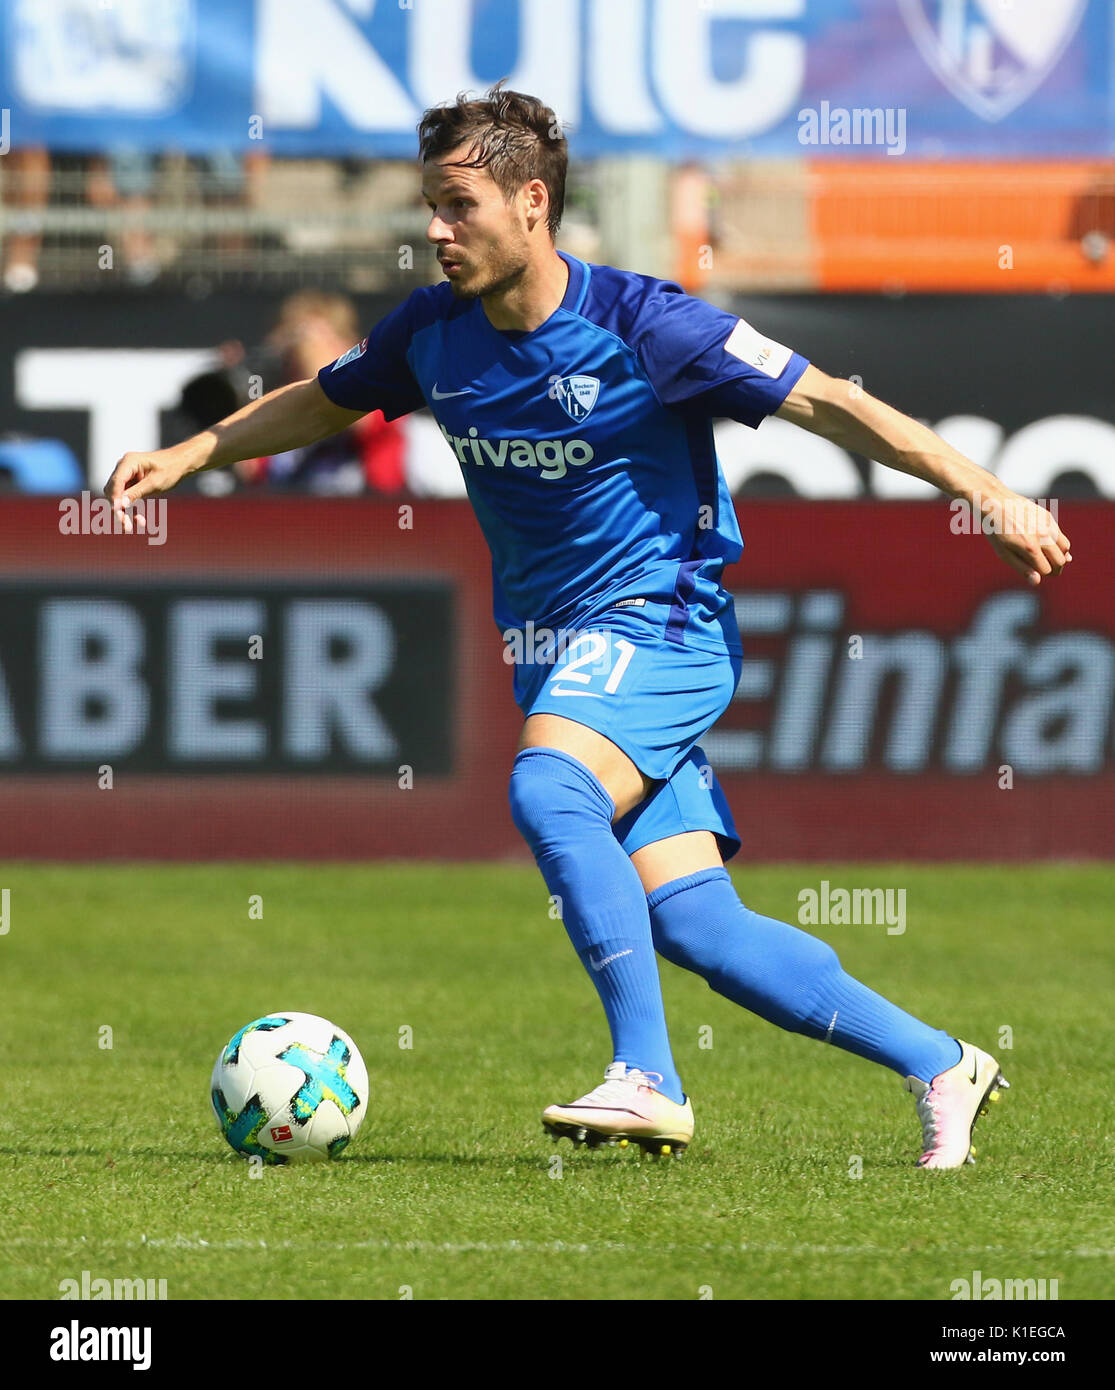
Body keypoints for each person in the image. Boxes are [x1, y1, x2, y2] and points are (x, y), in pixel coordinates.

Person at [106, 85, 1072, 1169]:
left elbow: (831, 404)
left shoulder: (648, 325)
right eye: (427, 205)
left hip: (660, 626)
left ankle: (646, 1078)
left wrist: (984, 492)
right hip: (559, 655)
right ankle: (941, 1062)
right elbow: (325, 399)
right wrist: (193, 455)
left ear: (531, 201)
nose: (434, 230)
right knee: (698, 923)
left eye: (457, 205)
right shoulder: (431, 334)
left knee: (547, 788)